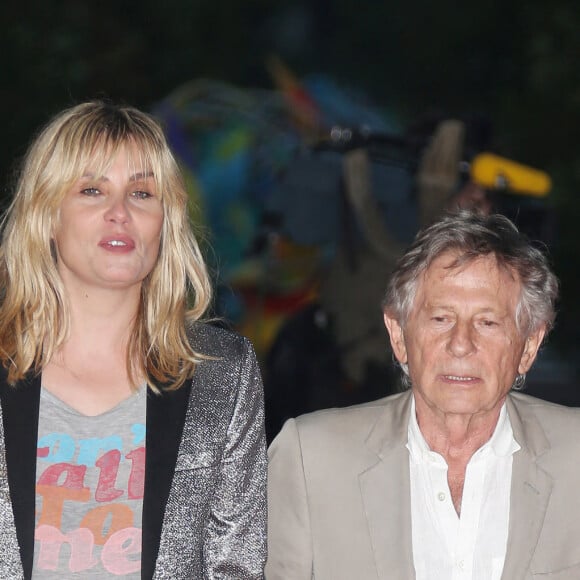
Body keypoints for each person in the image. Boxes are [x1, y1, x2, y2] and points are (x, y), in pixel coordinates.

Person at [0, 101, 267, 579]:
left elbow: (236, 568)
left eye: (142, 192)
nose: (119, 212)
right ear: (47, 217)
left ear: (166, 221)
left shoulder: (223, 372)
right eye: (91, 190)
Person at [266, 210, 580, 579]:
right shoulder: (311, 460)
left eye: (487, 322)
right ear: (398, 336)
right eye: (440, 318)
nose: (461, 345)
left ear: (528, 346)